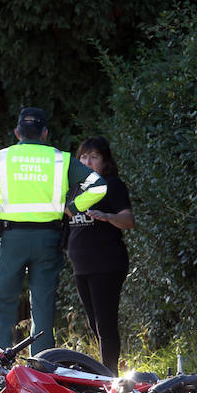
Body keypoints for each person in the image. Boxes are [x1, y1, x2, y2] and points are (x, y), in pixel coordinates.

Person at [0, 108, 107, 355]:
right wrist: (72, 208)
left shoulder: (1, 158)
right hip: (47, 241)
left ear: (17, 133)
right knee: (42, 308)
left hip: (10, 241)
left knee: (2, 305)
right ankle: (41, 373)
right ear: (45, 133)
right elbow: (98, 185)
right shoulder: (60, 159)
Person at [66, 136, 134, 374]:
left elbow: (128, 220)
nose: (88, 161)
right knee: (95, 325)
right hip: (80, 265)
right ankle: (107, 372)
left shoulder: (111, 185)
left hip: (106, 263)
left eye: (94, 157)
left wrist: (107, 217)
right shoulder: (74, 187)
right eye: (83, 157)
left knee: (105, 324)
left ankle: (110, 378)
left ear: (105, 161)